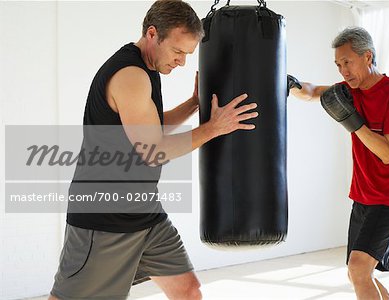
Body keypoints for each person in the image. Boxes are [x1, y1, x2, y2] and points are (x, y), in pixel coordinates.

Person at [49, 1, 259, 299]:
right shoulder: (130, 76)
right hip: (104, 219)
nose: (182, 62)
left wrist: (192, 104)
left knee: (188, 291)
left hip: (144, 213)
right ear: (152, 33)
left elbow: (147, 126)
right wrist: (214, 127)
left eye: (188, 54)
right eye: (178, 52)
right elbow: (151, 149)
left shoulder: (148, 69)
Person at [290, 27, 389, 300]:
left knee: (358, 270)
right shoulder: (347, 92)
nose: (343, 71)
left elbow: (388, 152)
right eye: (338, 65)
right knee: (357, 272)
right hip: (363, 196)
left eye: (347, 62)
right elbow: (312, 91)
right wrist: (290, 85)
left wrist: (352, 122)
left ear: (367, 56)